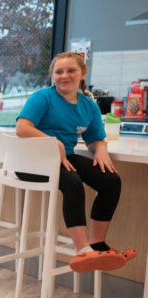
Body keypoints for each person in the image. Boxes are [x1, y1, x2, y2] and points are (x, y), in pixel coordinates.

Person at [16, 51, 136, 272]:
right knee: (72, 183)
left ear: (83, 73)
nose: (64, 76)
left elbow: (96, 139)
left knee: (111, 180)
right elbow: (22, 128)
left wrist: (100, 150)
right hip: (31, 160)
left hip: (64, 158)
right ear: (52, 75)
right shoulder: (42, 98)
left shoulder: (88, 106)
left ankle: (97, 243)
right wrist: (55, 143)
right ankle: (83, 251)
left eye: (71, 70)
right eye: (58, 72)